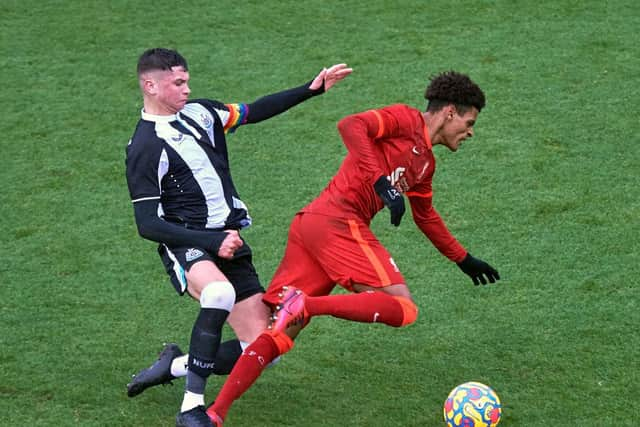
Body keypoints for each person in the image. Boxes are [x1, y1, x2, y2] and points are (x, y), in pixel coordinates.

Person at [202, 70, 501, 425]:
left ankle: (214, 413)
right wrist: (380, 181)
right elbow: (351, 126)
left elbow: (427, 217)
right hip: (337, 221)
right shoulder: (405, 119)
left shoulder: (426, 164)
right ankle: (307, 304)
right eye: (468, 122)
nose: (470, 132)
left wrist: (463, 259)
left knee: (276, 333)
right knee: (402, 307)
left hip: (312, 225)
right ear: (449, 112)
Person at [125, 47, 351, 427]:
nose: (186, 88)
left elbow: (253, 111)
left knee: (265, 348)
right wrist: (211, 243)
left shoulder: (202, 113)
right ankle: (191, 408)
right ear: (150, 85)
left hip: (228, 240)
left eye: (187, 80)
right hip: (187, 242)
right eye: (178, 83)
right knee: (218, 294)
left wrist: (311, 89)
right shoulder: (145, 147)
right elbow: (147, 224)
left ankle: (174, 366)